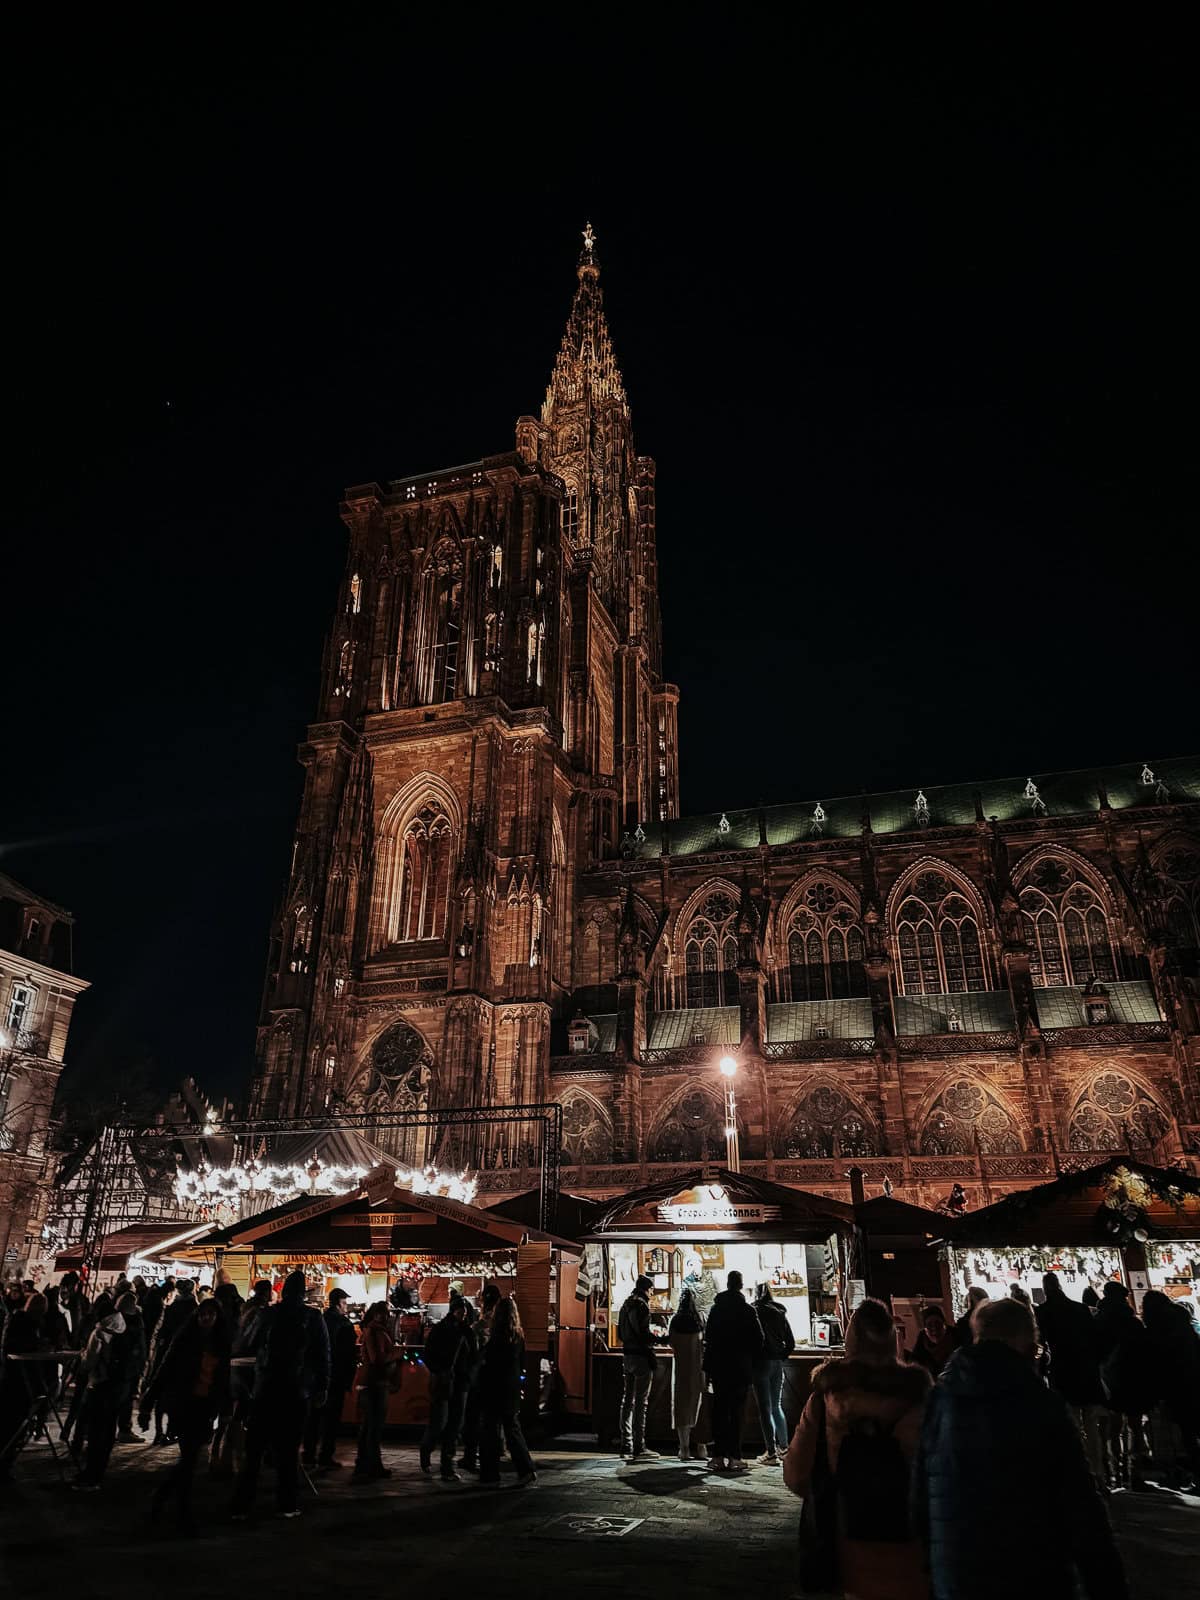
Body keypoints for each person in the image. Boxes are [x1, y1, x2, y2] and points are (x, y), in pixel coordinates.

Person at [913, 1297, 1128, 1600]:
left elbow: (920, 1498)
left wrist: (934, 1568)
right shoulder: (1038, 1403)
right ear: (1026, 1341)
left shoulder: (940, 1401)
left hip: (957, 1575)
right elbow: (1083, 1512)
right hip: (1030, 1576)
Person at [784, 1298, 931, 1600]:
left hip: (847, 1541)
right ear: (894, 1341)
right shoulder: (921, 1400)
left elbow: (797, 1475)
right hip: (913, 1543)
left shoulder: (825, 1402)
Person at [231, 1269, 329, 1520]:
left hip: (266, 1387)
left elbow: (247, 1343)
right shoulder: (313, 1316)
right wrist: (321, 1387)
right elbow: (323, 1355)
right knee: (288, 1450)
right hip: (297, 1390)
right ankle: (286, 1504)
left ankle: (242, 1504)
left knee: (254, 1449)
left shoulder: (267, 1314)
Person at [144, 1296, 231, 1533]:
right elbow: (165, 1368)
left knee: (189, 1461)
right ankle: (182, 1512)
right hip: (184, 1405)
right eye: (203, 1314)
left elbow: (223, 1379)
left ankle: (164, 1499)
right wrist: (149, 1399)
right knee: (190, 1459)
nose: (206, 1318)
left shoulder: (221, 1343)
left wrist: (224, 1408)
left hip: (205, 1407)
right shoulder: (185, 1339)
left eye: (211, 1315)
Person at [1035, 1273, 1104, 1483]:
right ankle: (1099, 1472)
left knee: (1072, 1424)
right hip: (1086, 1371)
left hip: (1063, 1372)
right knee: (1091, 1425)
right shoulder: (1080, 1309)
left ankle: (1081, 1472)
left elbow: (1041, 1344)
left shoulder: (1044, 1312)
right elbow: (1095, 1339)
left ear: (1046, 1289)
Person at [72, 1293, 140, 1490]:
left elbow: (89, 1362)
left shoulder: (100, 1331)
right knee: (108, 1430)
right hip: (119, 1387)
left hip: (100, 1385)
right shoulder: (125, 1328)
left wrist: (83, 1356)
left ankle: (90, 1475)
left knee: (95, 1432)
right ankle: (98, 1473)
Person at [702, 1269, 764, 1473]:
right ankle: (735, 1457)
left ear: (727, 1285)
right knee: (737, 1413)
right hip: (740, 1368)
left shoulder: (716, 1310)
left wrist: (708, 1367)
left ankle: (718, 1457)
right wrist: (748, 1357)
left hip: (719, 1368)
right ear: (740, 1285)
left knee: (720, 1411)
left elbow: (708, 1338)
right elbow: (759, 1339)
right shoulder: (748, 1311)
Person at [1094, 1281, 1151, 1490]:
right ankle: (1134, 1473)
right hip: (1132, 1378)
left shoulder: (1099, 1321)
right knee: (1134, 1426)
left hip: (1108, 1379)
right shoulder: (1132, 1322)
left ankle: (1113, 1472)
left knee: (1111, 1427)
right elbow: (1144, 1351)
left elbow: (1094, 1351)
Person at [1141, 1289, 1200, 1489]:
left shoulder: (1156, 1331)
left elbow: (1156, 1364)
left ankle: (1190, 1472)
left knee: (1185, 1433)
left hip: (1174, 1388)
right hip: (1193, 1381)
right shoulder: (1184, 1325)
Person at [477, 1295, 536, 1488]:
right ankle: (526, 1468)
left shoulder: (495, 1336)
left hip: (494, 1388)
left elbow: (488, 1363)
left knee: (490, 1431)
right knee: (512, 1429)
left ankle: (490, 1474)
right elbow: (521, 1364)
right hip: (511, 1389)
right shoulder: (518, 1335)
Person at [419, 1295, 473, 1481]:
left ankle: (446, 1464)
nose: (462, 1313)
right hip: (447, 1380)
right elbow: (429, 1355)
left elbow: (472, 1356)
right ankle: (428, 1451)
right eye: (460, 1310)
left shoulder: (465, 1330)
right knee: (441, 1422)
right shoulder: (444, 1330)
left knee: (453, 1424)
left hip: (458, 1381)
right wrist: (441, 1370)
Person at [304, 1287, 358, 1472]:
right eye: (345, 1303)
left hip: (317, 1375)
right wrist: (348, 1379)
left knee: (313, 1418)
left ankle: (308, 1455)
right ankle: (326, 1455)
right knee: (332, 1420)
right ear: (339, 1303)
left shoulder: (318, 1320)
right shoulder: (344, 1324)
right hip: (336, 1376)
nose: (346, 1306)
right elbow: (350, 1354)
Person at [0, 1292, 51, 1479]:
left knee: (12, 1422)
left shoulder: (19, 1320)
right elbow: (13, 1347)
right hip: (19, 1378)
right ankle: (5, 1462)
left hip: (15, 1378)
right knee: (13, 1422)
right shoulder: (24, 1322)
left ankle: (7, 1460)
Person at [139, 1278, 196, 1444]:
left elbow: (163, 1330)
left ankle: (159, 1432)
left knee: (161, 1392)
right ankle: (170, 1431)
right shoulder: (194, 1309)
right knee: (176, 1397)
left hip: (165, 1354)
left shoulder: (172, 1308)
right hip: (184, 1358)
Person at [352, 1301, 400, 1484]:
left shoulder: (374, 1330)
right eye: (383, 1313)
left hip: (371, 1382)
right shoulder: (374, 1332)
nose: (386, 1316)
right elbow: (376, 1358)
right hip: (375, 1383)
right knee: (373, 1427)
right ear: (375, 1314)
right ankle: (372, 1465)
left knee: (369, 1427)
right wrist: (395, 1355)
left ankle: (364, 1464)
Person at [617, 1273, 659, 1463]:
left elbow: (620, 1332)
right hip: (641, 1357)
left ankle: (626, 1443)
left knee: (627, 1400)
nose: (652, 1294)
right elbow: (644, 1334)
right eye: (651, 1290)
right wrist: (660, 1339)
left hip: (627, 1356)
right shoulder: (642, 1306)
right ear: (647, 1289)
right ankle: (639, 1446)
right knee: (641, 1401)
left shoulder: (625, 1304)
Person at [460, 1281, 502, 1473]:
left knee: (473, 1418)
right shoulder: (504, 1326)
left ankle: (471, 1455)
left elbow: (469, 1355)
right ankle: (494, 1451)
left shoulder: (478, 1327)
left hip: (478, 1378)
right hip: (495, 1379)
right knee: (492, 1419)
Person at [752, 1283, 794, 1464]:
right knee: (776, 1406)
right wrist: (780, 1355)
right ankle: (784, 1448)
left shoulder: (754, 1311)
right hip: (777, 1363)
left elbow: (751, 1338)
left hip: (760, 1362)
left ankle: (770, 1452)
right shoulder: (780, 1312)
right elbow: (790, 1342)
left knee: (764, 1409)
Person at [668, 1288, 707, 1461]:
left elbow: (671, 1343)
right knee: (698, 1408)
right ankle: (701, 1448)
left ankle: (684, 1448)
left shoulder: (675, 1321)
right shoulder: (699, 1320)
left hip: (680, 1369)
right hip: (697, 1370)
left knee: (681, 1407)